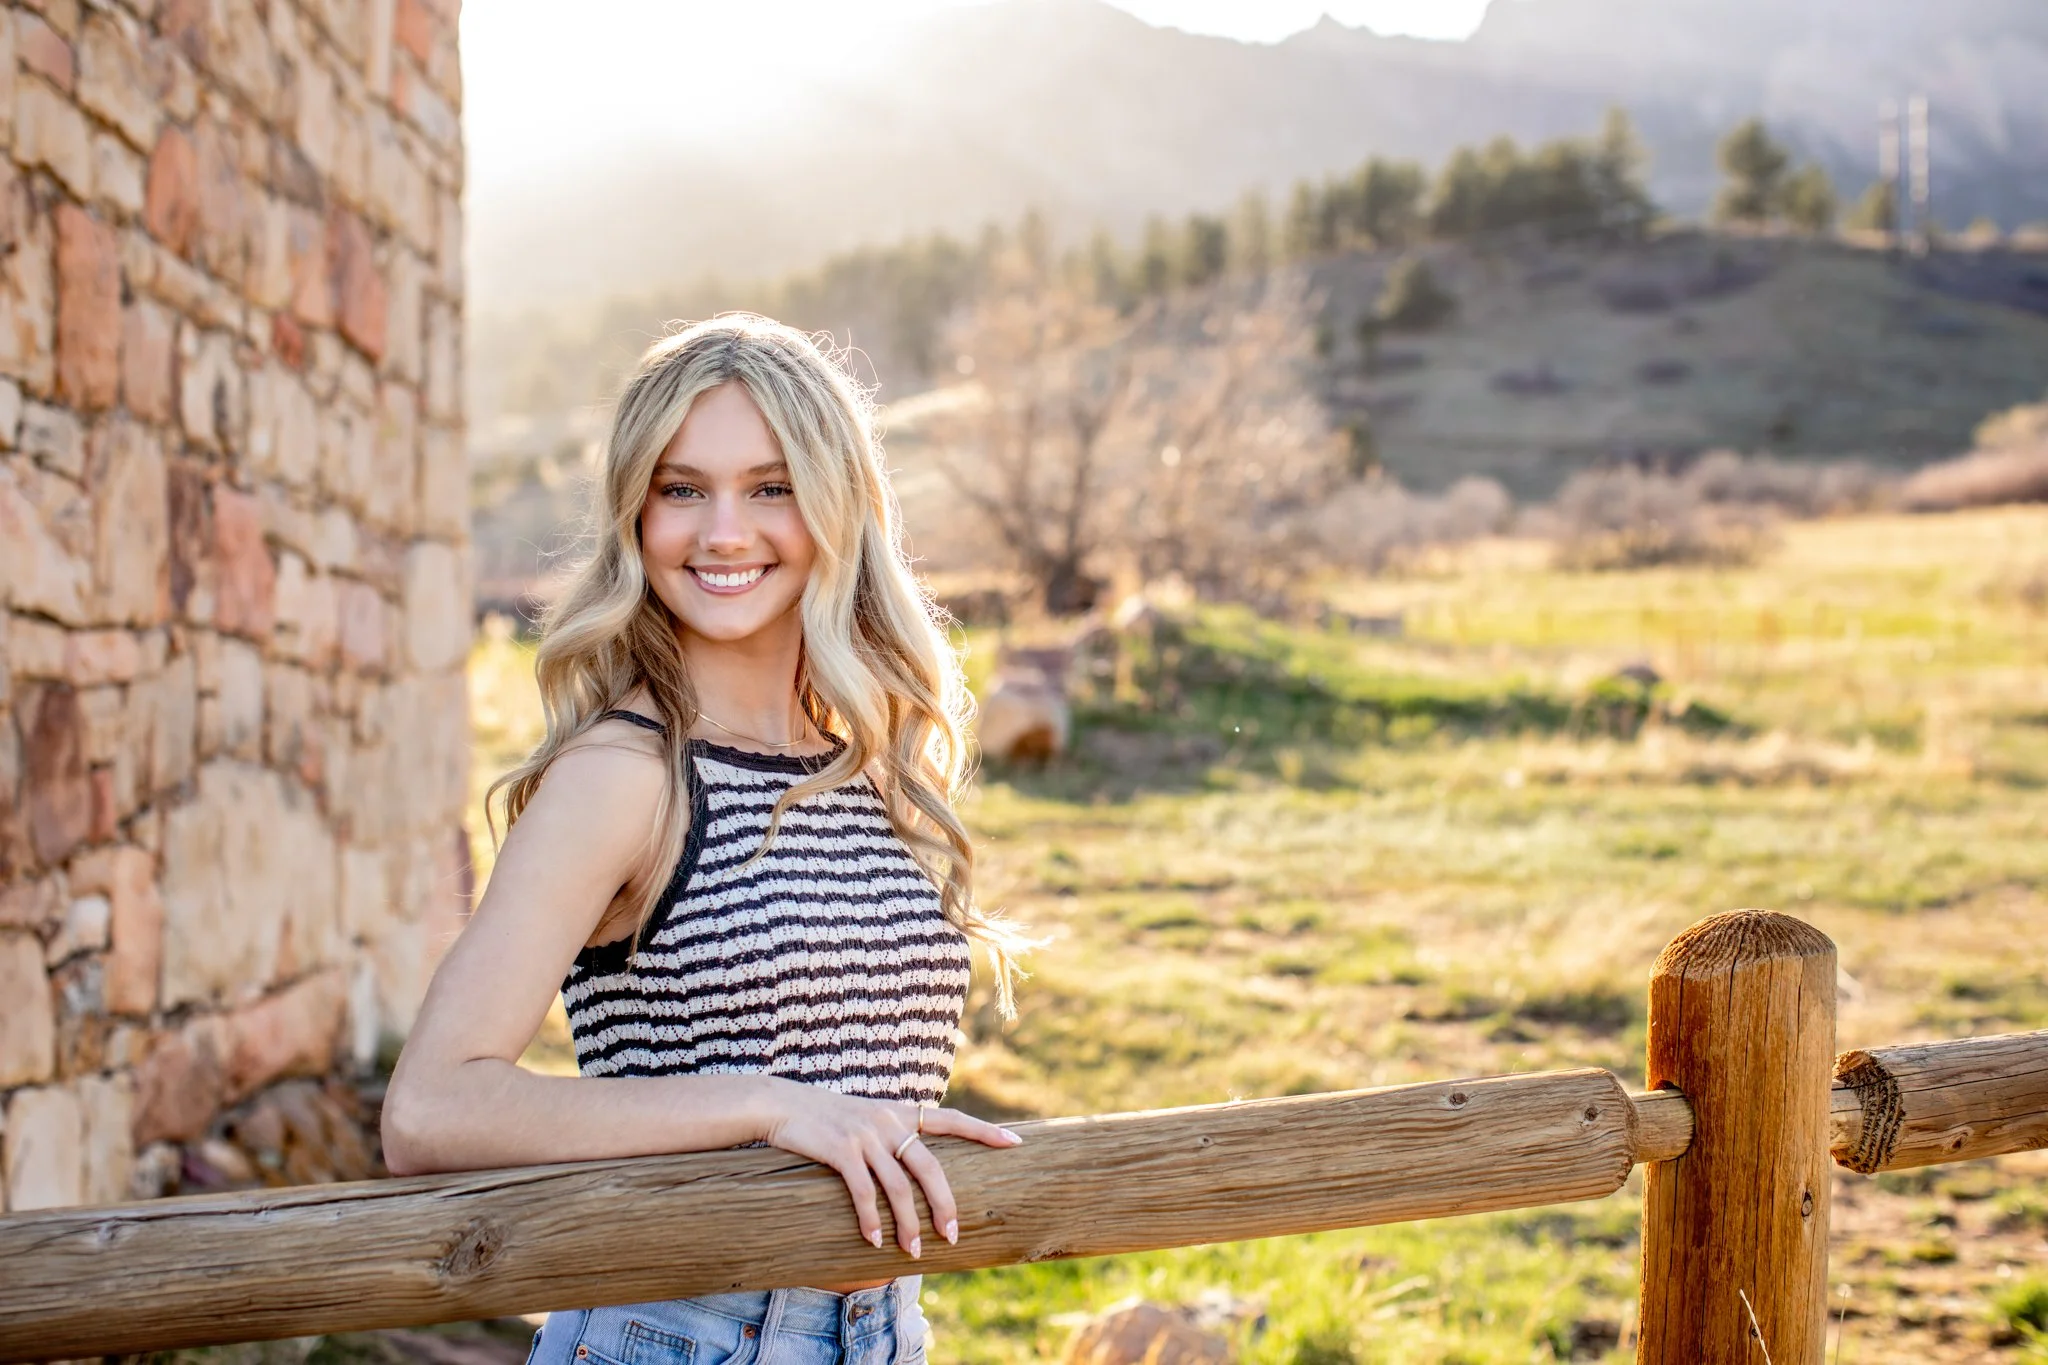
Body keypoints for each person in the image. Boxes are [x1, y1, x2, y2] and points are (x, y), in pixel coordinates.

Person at [380, 313, 1032, 1365]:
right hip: (678, 1331)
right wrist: (765, 1107)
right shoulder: (625, 775)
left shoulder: (868, 767)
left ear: (835, 507)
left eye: (769, 487)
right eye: (682, 489)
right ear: (636, 515)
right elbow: (430, 1106)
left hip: (881, 1333)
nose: (723, 531)